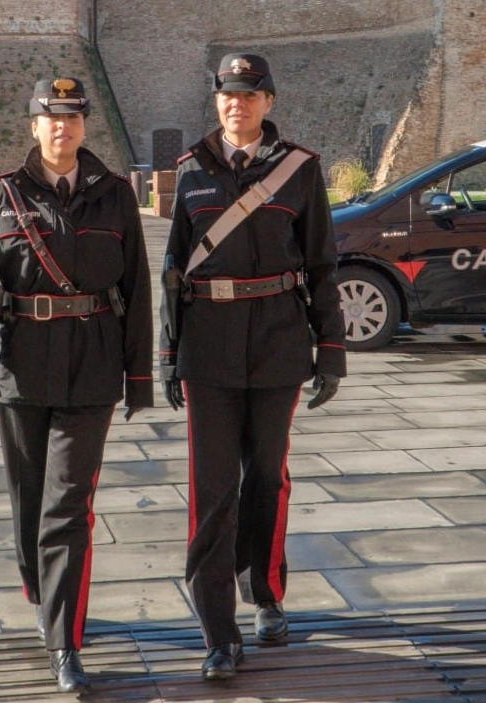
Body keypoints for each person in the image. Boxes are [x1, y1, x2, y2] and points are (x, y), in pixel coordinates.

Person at [0, 76, 153, 694]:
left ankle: (64, 641)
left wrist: (139, 375)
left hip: (92, 366)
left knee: (67, 505)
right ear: (32, 126)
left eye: (72, 117)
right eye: (50, 117)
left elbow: (139, 289)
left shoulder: (116, 197)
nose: (61, 127)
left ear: (85, 125)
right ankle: (43, 595)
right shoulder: (1, 197)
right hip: (22, 367)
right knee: (28, 498)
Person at [158, 53, 346, 681]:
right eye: (225, 94)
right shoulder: (190, 172)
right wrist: (166, 356)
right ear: (215, 101)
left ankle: (264, 595)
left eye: (248, 93)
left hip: (278, 344)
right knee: (213, 492)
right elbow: (173, 271)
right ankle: (218, 632)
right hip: (207, 350)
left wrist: (333, 351)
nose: (235, 103)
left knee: (266, 478)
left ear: (269, 101)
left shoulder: (299, 170)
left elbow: (321, 263)